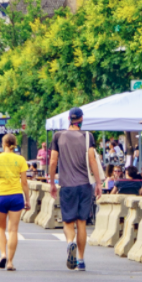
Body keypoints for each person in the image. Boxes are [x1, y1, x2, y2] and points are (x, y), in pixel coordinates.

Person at [49, 107, 102, 272]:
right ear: (81, 119)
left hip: (67, 186)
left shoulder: (58, 136)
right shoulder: (88, 137)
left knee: (68, 222)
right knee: (82, 223)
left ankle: (69, 243)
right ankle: (81, 260)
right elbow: (92, 160)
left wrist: (51, 182)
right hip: (85, 185)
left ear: (69, 118)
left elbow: (52, 161)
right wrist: (99, 183)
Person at [0, 133, 30, 271]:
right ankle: (10, 262)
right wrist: (27, 200)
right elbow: (24, 182)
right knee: (13, 230)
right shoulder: (21, 159)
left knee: (0, 228)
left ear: (3, 143)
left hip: (1, 196)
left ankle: (3, 254)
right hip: (16, 196)